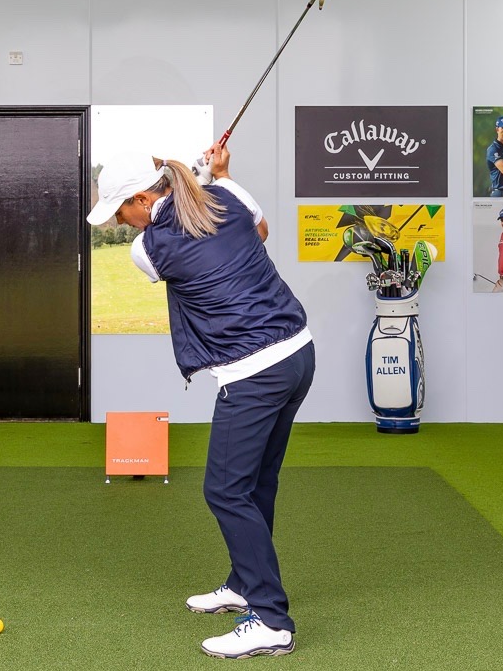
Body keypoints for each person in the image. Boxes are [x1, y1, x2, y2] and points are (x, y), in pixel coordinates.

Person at [87, 144, 313, 659]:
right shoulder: (225, 197)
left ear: (143, 199)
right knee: (256, 482)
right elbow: (258, 232)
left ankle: (271, 619)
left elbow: (191, 226)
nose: (120, 224)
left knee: (225, 491)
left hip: (255, 371)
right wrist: (221, 175)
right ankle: (245, 584)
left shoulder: (148, 248)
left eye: (121, 211)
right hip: (298, 354)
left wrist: (207, 177)